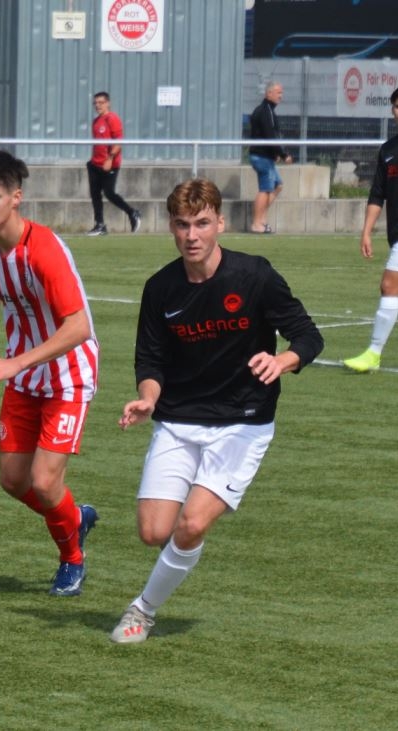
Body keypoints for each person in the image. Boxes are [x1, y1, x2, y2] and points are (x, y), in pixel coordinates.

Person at [111, 178, 323, 644]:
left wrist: (283, 361)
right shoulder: (160, 288)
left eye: (202, 223)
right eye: (183, 225)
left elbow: (309, 336)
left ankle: (143, 609)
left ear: (220, 223)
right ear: (171, 227)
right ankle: (178, 552)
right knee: (153, 531)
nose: (192, 235)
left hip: (242, 423)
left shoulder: (255, 276)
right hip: (178, 420)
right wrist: (148, 398)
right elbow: (150, 361)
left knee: (190, 524)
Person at [0, 150, 99, 597]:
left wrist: (12, 363)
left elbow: (78, 327)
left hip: (68, 373)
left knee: (43, 481)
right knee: (12, 480)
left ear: (16, 198)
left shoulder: (43, 249)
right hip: (23, 373)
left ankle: (72, 559)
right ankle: (74, 518)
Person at [343, 86, 398, 373]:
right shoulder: (388, 151)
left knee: (390, 286)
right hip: (395, 234)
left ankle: (373, 353)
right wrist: (366, 231)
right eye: (397, 107)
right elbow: (378, 194)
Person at [86, 91, 140, 236]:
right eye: (95, 103)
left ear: (108, 103)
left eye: (101, 103)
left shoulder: (112, 119)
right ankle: (100, 224)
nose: (98, 106)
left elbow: (118, 142)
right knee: (95, 194)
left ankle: (132, 212)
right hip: (95, 164)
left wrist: (109, 159)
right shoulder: (96, 121)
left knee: (109, 193)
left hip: (109, 164)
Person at [248, 81, 292, 234]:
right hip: (261, 157)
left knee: (277, 185)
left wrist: (275, 154)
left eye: (281, 93)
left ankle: (261, 218)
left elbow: (268, 135)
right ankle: (256, 224)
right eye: (278, 92)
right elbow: (270, 135)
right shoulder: (265, 111)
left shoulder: (268, 110)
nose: (281, 96)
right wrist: (283, 154)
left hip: (265, 156)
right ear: (269, 93)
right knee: (265, 189)